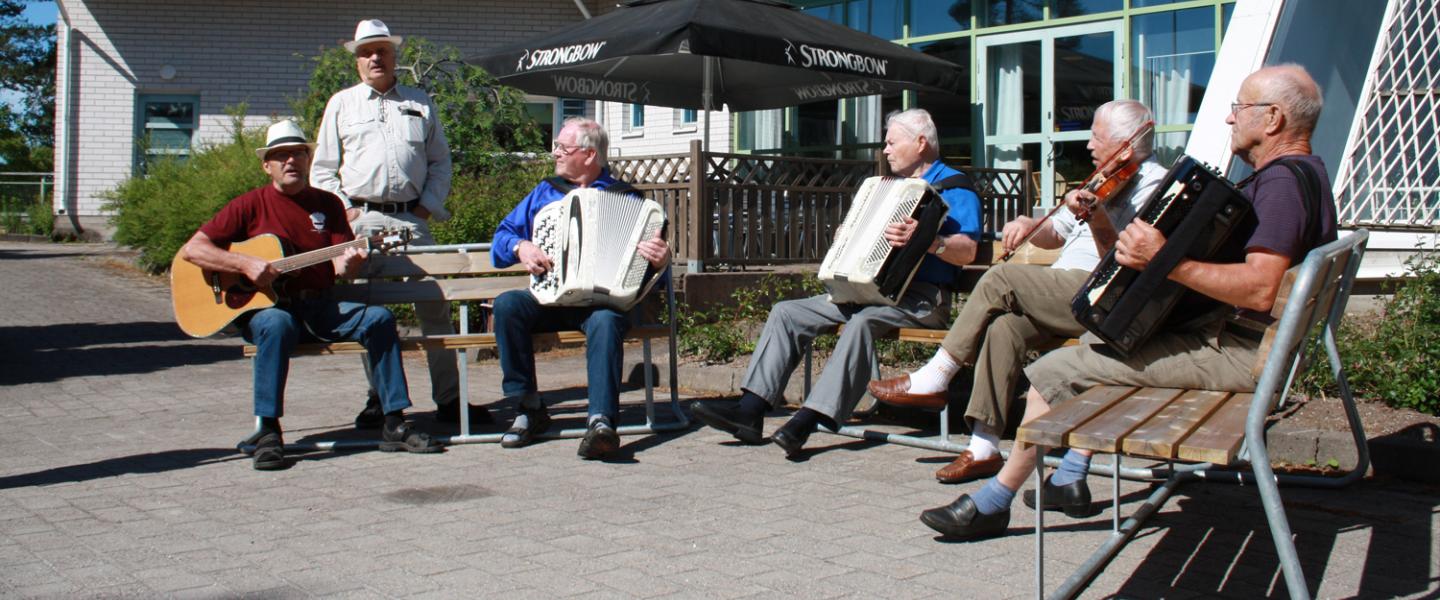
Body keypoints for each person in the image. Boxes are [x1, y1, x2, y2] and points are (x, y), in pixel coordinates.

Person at [919, 65, 1339, 541]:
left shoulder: (1281, 185)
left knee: (1054, 370)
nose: (1229, 118)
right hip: (1252, 344)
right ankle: (1062, 477)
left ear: (1273, 118)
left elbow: (1260, 289)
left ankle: (997, 501)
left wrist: (1165, 260)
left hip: (1240, 354)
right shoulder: (1308, 174)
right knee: (1094, 340)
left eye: (1239, 108)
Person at [867, 100, 1165, 484]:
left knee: (1001, 278)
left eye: (1097, 136)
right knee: (1004, 327)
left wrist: (1096, 215)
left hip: (1105, 293)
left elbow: (1122, 259)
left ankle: (937, 375)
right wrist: (1028, 226)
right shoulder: (1101, 178)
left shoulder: (1155, 184)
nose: (1089, 144)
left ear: (1126, 144)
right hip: (1065, 290)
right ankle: (984, 447)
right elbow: (1055, 232)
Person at [689, 108, 983, 457]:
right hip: (868, 293)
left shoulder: (955, 187)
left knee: (862, 322)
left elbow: (968, 251)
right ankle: (750, 412)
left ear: (920, 143)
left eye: (891, 143)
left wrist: (928, 241)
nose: (885, 150)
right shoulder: (887, 188)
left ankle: (809, 419)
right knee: (787, 312)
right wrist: (849, 235)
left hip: (921, 300)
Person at [182, 120, 443, 471]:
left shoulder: (328, 204)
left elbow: (339, 266)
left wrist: (351, 262)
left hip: (320, 306)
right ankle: (268, 431)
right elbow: (193, 249)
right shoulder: (250, 205)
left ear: (308, 160)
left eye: (297, 153)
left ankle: (394, 421)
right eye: (281, 156)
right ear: (267, 165)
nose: (290, 161)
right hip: (270, 311)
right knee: (276, 323)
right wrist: (244, 263)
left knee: (379, 319)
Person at [310, 19, 485, 429]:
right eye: (366, 52)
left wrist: (425, 207)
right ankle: (380, 400)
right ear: (357, 60)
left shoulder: (419, 102)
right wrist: (346, 211)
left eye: (382, 51)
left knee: (435, 308)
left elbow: (440, 161)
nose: (375, 58)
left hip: (412, 220)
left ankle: (450, 401)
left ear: (394, 56)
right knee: (367, 313)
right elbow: (322, 170)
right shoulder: (342, 104)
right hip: (361, 221)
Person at [488, 117, 672, 460]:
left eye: (563, 147)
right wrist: (520, 247)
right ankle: (529, 407)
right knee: (508, 305)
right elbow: (500, 240)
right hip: (549, 298)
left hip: (602, 304)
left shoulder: (629, 200)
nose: (555, 153)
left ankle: (601, 423)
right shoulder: (544, 192)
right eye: (557, 146)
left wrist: (661, 262)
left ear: (589, 155)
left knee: (605, 321)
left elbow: (650, 276)